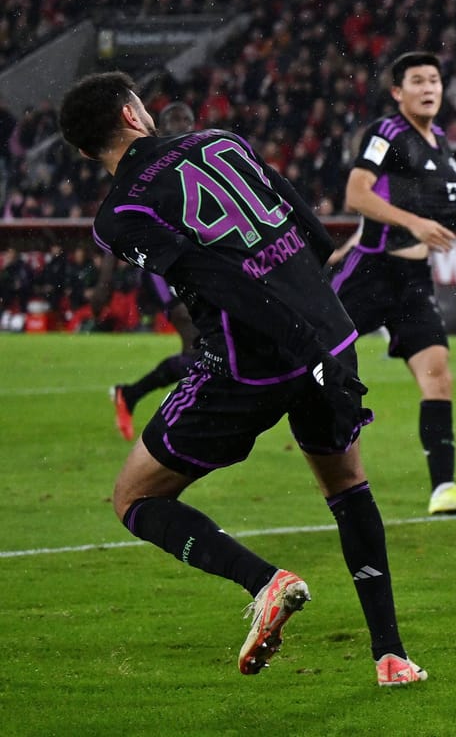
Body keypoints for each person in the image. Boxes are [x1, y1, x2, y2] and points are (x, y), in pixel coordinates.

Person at [58, 72, 425, 687]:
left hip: (252, 361)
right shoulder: (219, 141)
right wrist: (314, 331)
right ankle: (390, 656)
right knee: (347, 487)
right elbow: (311, 231)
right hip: (330, 336)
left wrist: (296, 346)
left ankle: (266, 582)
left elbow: (211, 276)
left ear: (87, 147)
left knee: (134, 498)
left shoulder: (119, 214)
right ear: (131, 114)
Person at [333, 52, 456, 516]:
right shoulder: (386, 133)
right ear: (397, 92)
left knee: (438, 375)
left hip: (413, 279)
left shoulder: (439, 140)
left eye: (435, 80)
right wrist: (416, 225)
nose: (429, 88)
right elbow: (356, 193)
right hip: (371, 269)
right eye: (418, 81)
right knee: (307, 354)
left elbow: (435, 199)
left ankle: (443, 489)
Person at [111, 101, 202, 441]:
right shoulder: (152, 164)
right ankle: (177, 416)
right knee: (197, 341)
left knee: (201, 346)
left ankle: (134, 395)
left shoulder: (199, 157)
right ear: (159, 127)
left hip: (190, 264)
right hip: (162, 268)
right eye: (174, 119)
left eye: (187, 118)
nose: (181, 123)